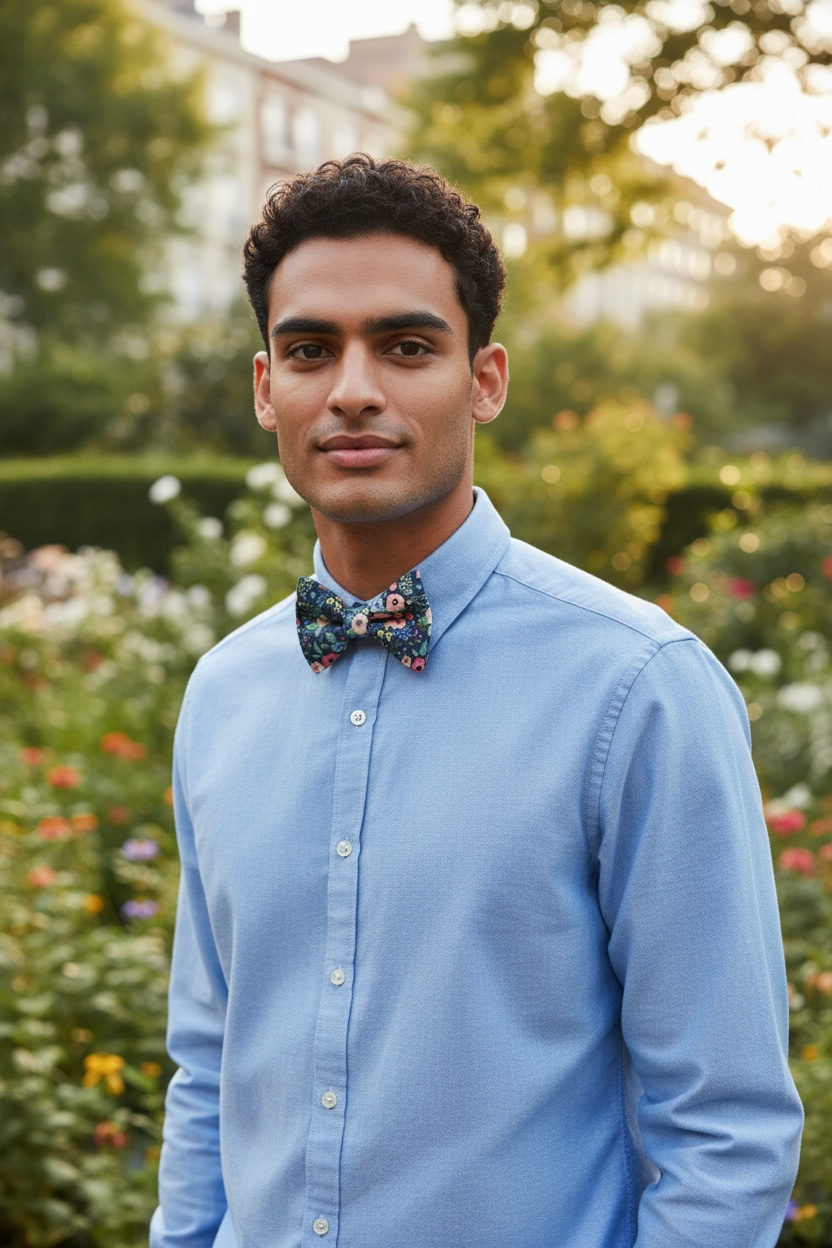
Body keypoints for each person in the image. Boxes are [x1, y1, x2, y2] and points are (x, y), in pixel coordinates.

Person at [150, 154, 802, 1248]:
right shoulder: (223, 693)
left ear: (485, 380)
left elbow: (725, 1129)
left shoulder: (637, 687)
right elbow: (210, 1068)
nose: (353, 389)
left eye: (407, 346)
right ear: (266, 389)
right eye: (310, 350)